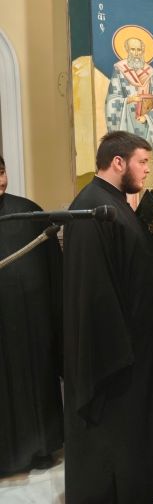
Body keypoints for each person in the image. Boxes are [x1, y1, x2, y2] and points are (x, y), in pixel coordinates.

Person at [62, 131, 153, 503]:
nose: (147, 170)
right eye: (142, 162)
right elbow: (95, 289)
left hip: (139, 338)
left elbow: (129, 262)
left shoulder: (114, 202)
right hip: (118, 348)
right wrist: (119, 347)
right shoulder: (91, 208)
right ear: (118, 162)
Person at [0, 155, 63, 476]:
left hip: (30, 323)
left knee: (34, 383)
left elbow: (54, 270)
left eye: (1, 172)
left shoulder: (29, 213)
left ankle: (40, 449)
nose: (0, 181)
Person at [105, 36, 153, 209]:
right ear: (127, 50)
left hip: (150, 132)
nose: (136, 53)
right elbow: (112, 100)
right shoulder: (120, 70)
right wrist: (129, 100)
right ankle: (131, 210)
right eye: (133, 50)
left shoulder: (151, 73)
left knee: (151, 174)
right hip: (128, 128)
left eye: (139, 50)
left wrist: (149, 116)